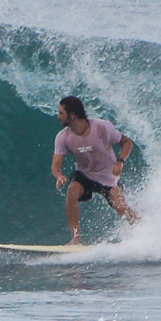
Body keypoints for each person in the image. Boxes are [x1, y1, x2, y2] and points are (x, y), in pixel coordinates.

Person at [50, 96, 139, 245]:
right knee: (72, 191)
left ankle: (142, 227)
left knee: (120, 206)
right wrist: (59, 176)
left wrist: (120, 160)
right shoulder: (63, 137)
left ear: (72, 115)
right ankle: (75, 239)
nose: (58, 116)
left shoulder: (101, 127)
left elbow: (127, 142)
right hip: (85, 175)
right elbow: (55, 165)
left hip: (108, 176)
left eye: (61, 113)